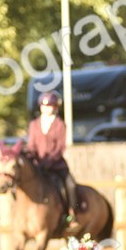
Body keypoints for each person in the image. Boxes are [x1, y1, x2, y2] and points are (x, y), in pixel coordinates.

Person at [27, 90, 83, 225]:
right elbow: (31, 145)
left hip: (56, 165)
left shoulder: (60, 124)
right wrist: (31, 157)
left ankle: (72, 213)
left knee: (71, 185)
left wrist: (48, 161)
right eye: (44, 105)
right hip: (38, 165)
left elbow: (60, 147)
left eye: (50, 106)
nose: (47, 108)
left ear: (56, 107)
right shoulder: (34, 124)